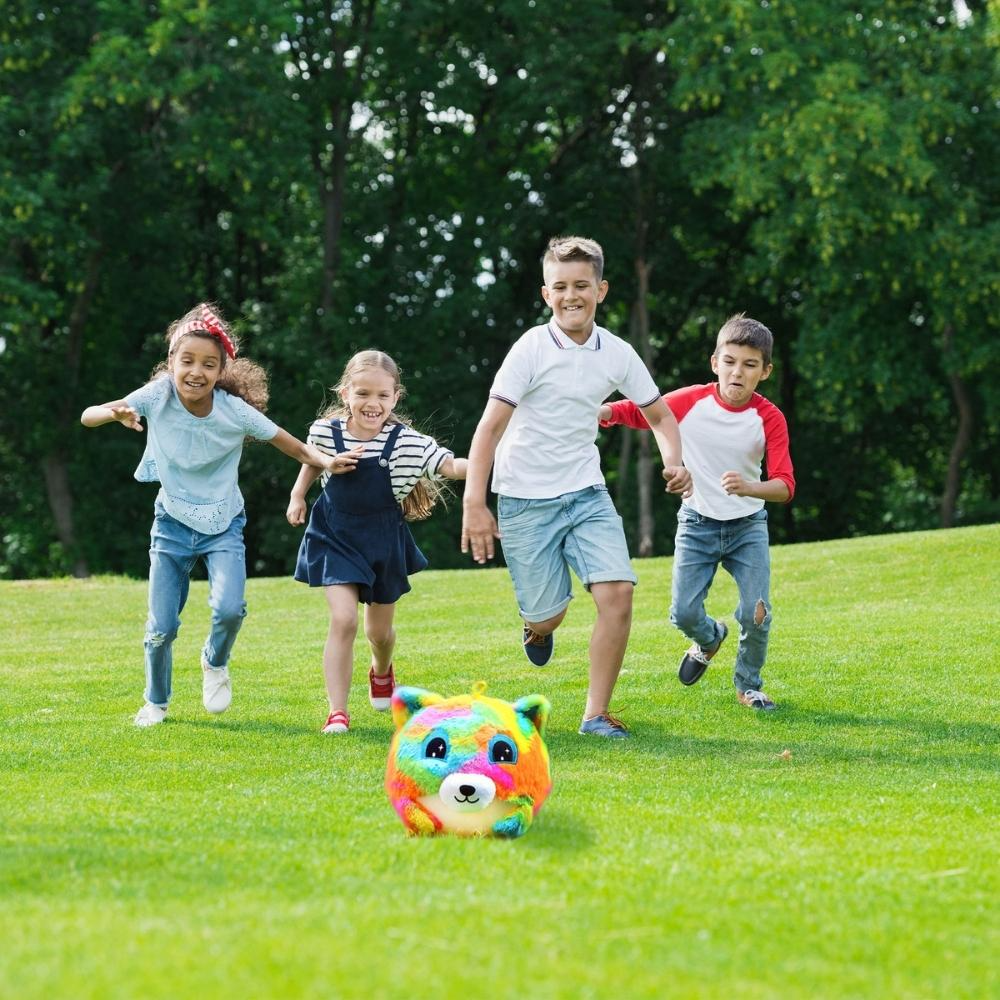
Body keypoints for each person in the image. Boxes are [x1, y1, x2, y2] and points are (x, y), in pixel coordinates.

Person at [461, 235, 691, 740]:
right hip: (523, 499)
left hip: (586, 492)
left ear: (601, 290)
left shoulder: (618, 353)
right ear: (546, 294)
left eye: (582, 285)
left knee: (618, 594)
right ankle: (536, 626)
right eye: (560, 286)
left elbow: (660, 416)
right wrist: (475, 503)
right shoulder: (530, 349)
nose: (572, 295)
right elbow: (489, 429)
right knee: (551, 616)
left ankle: (596, 715)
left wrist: (673, 461)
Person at [81, 303, 341, 728]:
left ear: (222, 370)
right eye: (187, 361)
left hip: (224, 523)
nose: (196, 372)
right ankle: (156, 702)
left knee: (230, 609)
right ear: (171, 363)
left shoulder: (232, 410)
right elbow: (87, 415)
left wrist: (327, 463)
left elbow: (292, 445)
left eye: (208, 364)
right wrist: (115, 411)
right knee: (161, 626)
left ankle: (214, 661)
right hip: (171, 524)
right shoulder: (156, 396)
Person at [599, 313, 795, 710]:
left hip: (747, 527)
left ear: (765, 371)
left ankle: (749, 686)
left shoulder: (769, 418)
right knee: (683, 612)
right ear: (715, 363)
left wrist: (749, 487)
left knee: (756, 612)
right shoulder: (691, 401)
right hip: (697, 523)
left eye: (749, 365)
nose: (737, 372)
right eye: (730, 361)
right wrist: (602, 412)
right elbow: (643, 413)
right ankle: (709, 638)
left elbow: (785, 485)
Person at [287, 350, 468, 735]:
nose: (373, 404)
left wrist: (490, 465)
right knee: (343, 618)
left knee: (379, 634)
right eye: (364, 393)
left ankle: (381, 670)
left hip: (383, 540)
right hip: (334, 535)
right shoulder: (325, 431)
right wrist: (297, 495)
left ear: (396, 397)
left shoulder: (409, 444)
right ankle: (337, 712)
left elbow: (450, 466)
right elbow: (311, 460)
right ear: (346, 393)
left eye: (383, 396)